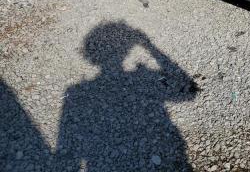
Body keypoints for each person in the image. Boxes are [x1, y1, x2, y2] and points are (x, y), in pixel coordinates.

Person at [55, 21, 197, 171]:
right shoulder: (144, 76)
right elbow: (188, 94)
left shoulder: (75, 92)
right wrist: (150, 47)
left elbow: (67, 152)